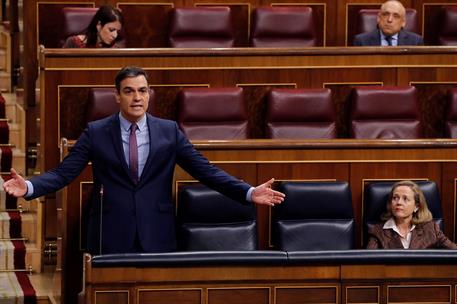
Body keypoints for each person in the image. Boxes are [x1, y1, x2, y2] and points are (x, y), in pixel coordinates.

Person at [4, 66, 285, 254]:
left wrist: (248, 192)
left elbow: (206, 171)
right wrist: (29, 187)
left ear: (149, 94)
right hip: (109, 233)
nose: (137, 97)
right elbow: (64, 173)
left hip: (157, 232)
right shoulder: (97, 132)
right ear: (117, 96)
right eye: (129, 91)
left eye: (142, 91)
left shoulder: (169, 131)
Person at [367, 180, 457, 249]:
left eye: (405, 199)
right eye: (395, 198)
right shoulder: (377, 231)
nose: (399, 202)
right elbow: (369, 262)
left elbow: (452, 252)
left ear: (416, 206)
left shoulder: (431, 229)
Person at [353, 0, 424, 46]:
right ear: (378, 18)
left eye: (396, 16)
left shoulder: (416, 41)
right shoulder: (361, 41)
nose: (389, 20)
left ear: (403, 22)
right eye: (385, 14)